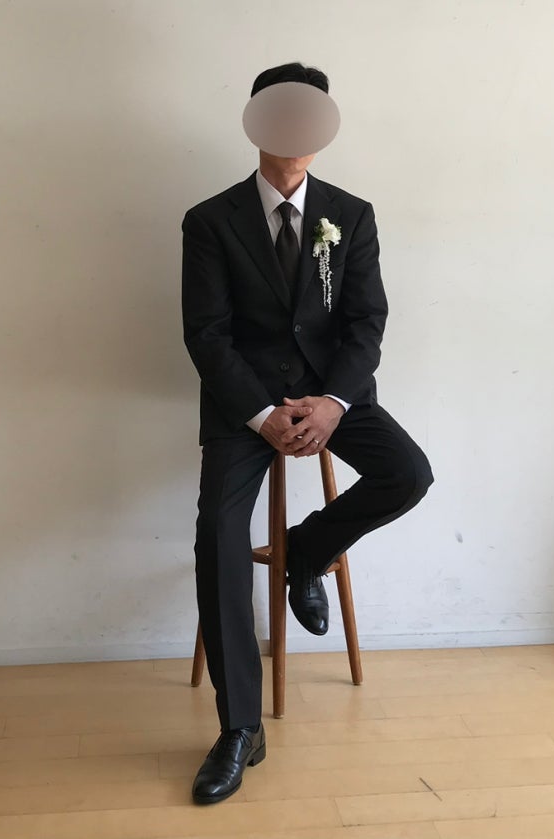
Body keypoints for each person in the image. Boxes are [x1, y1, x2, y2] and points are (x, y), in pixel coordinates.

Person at [181, 62, 434, 805]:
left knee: (408, 473)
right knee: (217, 535)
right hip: (245, 406)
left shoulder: (350, 214)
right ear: (256, 121)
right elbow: (206, 334)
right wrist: (263, 414)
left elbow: (366, 322)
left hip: (331, 395)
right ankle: (239, 727)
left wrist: (331, 402)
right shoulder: (210, 219)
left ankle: (306, 552)